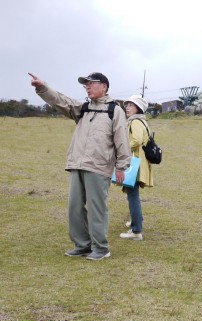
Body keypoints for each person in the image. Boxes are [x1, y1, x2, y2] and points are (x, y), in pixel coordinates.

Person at [29, 72, 131, 261]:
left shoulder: (114, 110)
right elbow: (61, 100)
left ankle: (101, 248)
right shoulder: (82, 108)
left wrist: (121, 167)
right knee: (74, 207)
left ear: (104, 86)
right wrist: (42, 87)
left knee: (96, 208)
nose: (87, 87)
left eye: (91, 83)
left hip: (99, 167)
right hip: (77, 164)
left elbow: (122, 141)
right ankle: (82, 245)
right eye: (86, 84)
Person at [120, 94, 153, 241]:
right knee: (133, 195)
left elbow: (136, 141)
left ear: (138, 108)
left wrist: (121, 147)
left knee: (132, 195)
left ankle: (136, 230)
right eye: (127, 104)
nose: (127, 107)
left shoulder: (135, 122)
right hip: (139, 162)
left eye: (131, 105)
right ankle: (135, 222)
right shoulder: (140, 121)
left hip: (134, 163)